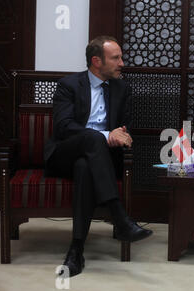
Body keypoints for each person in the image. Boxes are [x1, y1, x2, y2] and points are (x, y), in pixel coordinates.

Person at [44, 36, 152, 277]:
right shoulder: (69, 85)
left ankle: (76, 250)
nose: (122, 63)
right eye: (116, 58)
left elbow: (124, 128)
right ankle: (119, 217)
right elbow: (63, 127)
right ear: (96, 61)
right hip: (64, 154)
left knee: (85, 166)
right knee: (93, 138)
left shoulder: (122, 89)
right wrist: (105, 136)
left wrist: (122, 136)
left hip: (97, 159)